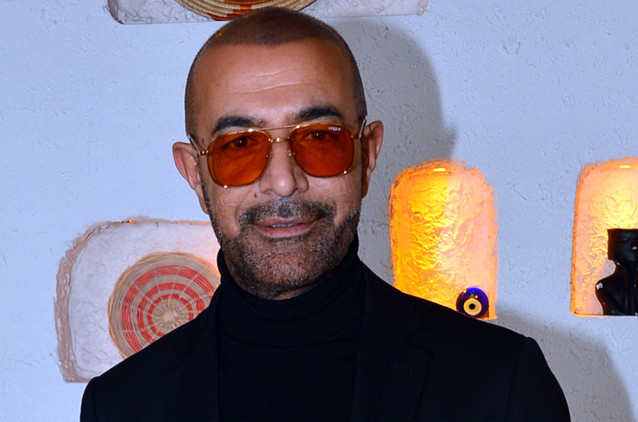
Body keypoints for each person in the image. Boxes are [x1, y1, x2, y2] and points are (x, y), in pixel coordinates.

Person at [80, 7, 570, 421]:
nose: (283, 180)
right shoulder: (122, 405)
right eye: (240, 145)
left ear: (367, 155)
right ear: (194, 172)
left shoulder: (500, 383)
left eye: (319, 138)